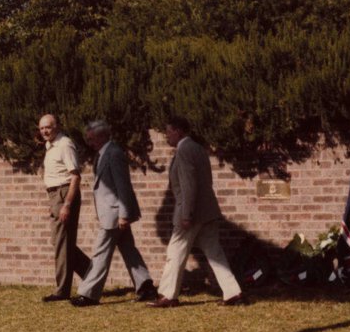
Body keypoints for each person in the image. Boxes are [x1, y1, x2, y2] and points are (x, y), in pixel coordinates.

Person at [150, 116, 246, 307]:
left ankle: (168, 295)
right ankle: (233, 292)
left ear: (179, 131)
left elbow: (189, 185)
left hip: (191, 213)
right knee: (214, 253)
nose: (167, 136)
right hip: (208, 211)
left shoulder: (184, 150)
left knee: (175, 251)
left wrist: (187, 215)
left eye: (169, 132)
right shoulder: (198, 149)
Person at [71, 120, 159, 306]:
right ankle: (146, 287)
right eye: (88, 139)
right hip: (112, 213)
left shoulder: (114, 153)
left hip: (115, 214)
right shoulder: (103, 154)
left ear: (103, 135)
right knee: (129, 250)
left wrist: (124, 215)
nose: (89, 142)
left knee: (100, 253)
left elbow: (123, 186)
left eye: (92, 138)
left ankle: (89, 294)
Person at [39, 114, 89, 302]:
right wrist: (53, 203)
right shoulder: (50, 146)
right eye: (42, 128)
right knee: (59, 242)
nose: (45, 131)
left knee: (61, 243)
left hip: (64, 193)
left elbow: (75, 176)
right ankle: (92, 272)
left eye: (48, 127)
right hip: (55, 195)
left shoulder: (64, 144)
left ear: (57, 126)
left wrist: (66, 204)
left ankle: (62, 290)